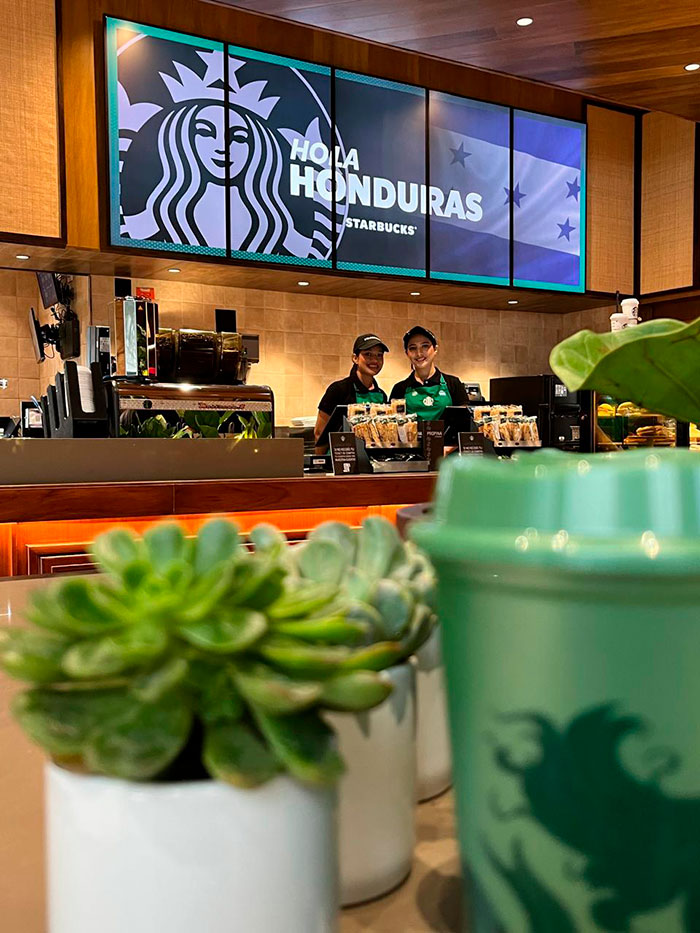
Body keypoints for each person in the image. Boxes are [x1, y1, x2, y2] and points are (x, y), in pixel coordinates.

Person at [314, 333, 389, 452]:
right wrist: (323, 462)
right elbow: (319, 433)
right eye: (368, 354)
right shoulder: (338, 390)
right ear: (355, 358)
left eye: (379, 355)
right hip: (341, 458)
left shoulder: (382, 395)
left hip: (373, 459)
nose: (375, 360)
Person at [390, 325, 468, 421]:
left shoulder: (453, 384)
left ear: (435, 349)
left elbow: (464, 422)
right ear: (407, 353)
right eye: (413, 348)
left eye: (425, 346)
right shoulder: (399, 389)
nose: (419, 353)